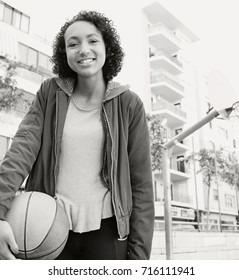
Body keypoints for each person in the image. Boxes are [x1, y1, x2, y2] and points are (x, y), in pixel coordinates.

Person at [0, 10, 154, 260]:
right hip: (48, 227)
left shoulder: (129, 104)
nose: (83, 49)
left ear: (108, 47)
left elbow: (142, 186)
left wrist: (138, 258)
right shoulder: (50, 93)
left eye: (93, 40)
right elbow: (20, 152)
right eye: (73, 44)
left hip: (108, 232)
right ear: (65, 54)